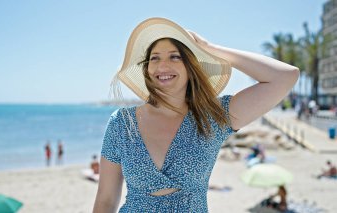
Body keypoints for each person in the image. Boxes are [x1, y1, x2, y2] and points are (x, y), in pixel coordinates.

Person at [93, 18, 299, 212]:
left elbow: (284, 77)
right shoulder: (122, 123)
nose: (163, 66)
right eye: (154, 58)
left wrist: (210, 49)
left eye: (175, 56)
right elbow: (106, 200)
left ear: (190, 67)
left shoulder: (213, 117)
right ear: (147, 69)